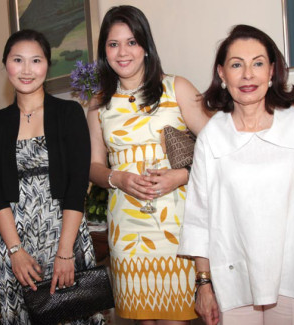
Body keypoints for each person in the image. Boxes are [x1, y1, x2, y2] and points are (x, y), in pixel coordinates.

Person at [178, 25, 294, 325]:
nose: (247, 75)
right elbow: (199, 217)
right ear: (222, 74)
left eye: (257, 63)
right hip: (232, 280)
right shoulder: (212, 136)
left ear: (272, 71)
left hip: (292, 277)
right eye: (236, 65)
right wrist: (203, 285)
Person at [87, 5, 209, 324]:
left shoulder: (176, 87)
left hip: (176, 225)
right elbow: (94, 166)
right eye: (113, 44)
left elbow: (216, 149)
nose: (123, 52)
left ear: (145, 46)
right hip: (126, 227)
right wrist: (118, 179)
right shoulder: (99, 103)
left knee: (176, 318)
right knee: (142, 319)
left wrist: (179, 177)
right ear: (104, 51)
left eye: (132, 42)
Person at [0, 29, 102, 324]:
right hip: (16, 242)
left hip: (65, 236)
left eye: (35, 60)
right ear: (5, 65)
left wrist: (64, 253)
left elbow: (77, 187)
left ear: (47, 65)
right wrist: (15, 251)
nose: (26, 70)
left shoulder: (69, 113)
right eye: (18, 60)